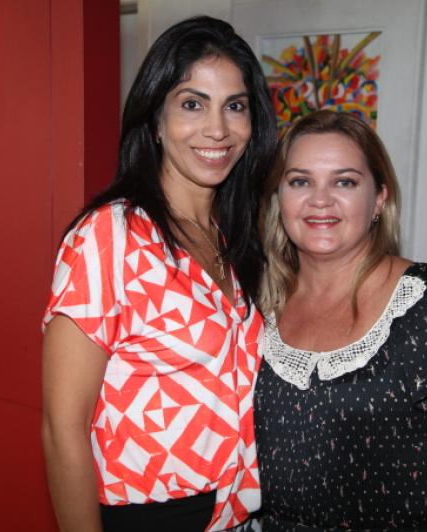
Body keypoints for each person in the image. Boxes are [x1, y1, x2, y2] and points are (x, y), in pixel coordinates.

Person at [41, 16, 276, 532]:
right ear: (155, 120)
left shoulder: (234, 236)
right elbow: (63, 428)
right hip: (150, 517)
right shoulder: (110, 236)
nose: (218, 129)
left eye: (235, 106)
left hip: (238, 513)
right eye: (192, 103)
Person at [255, 110, 427, 531]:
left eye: (345, 182)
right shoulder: (258, 302)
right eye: (300, 181)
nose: (320, 199)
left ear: (379, 198)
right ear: (280, 197)